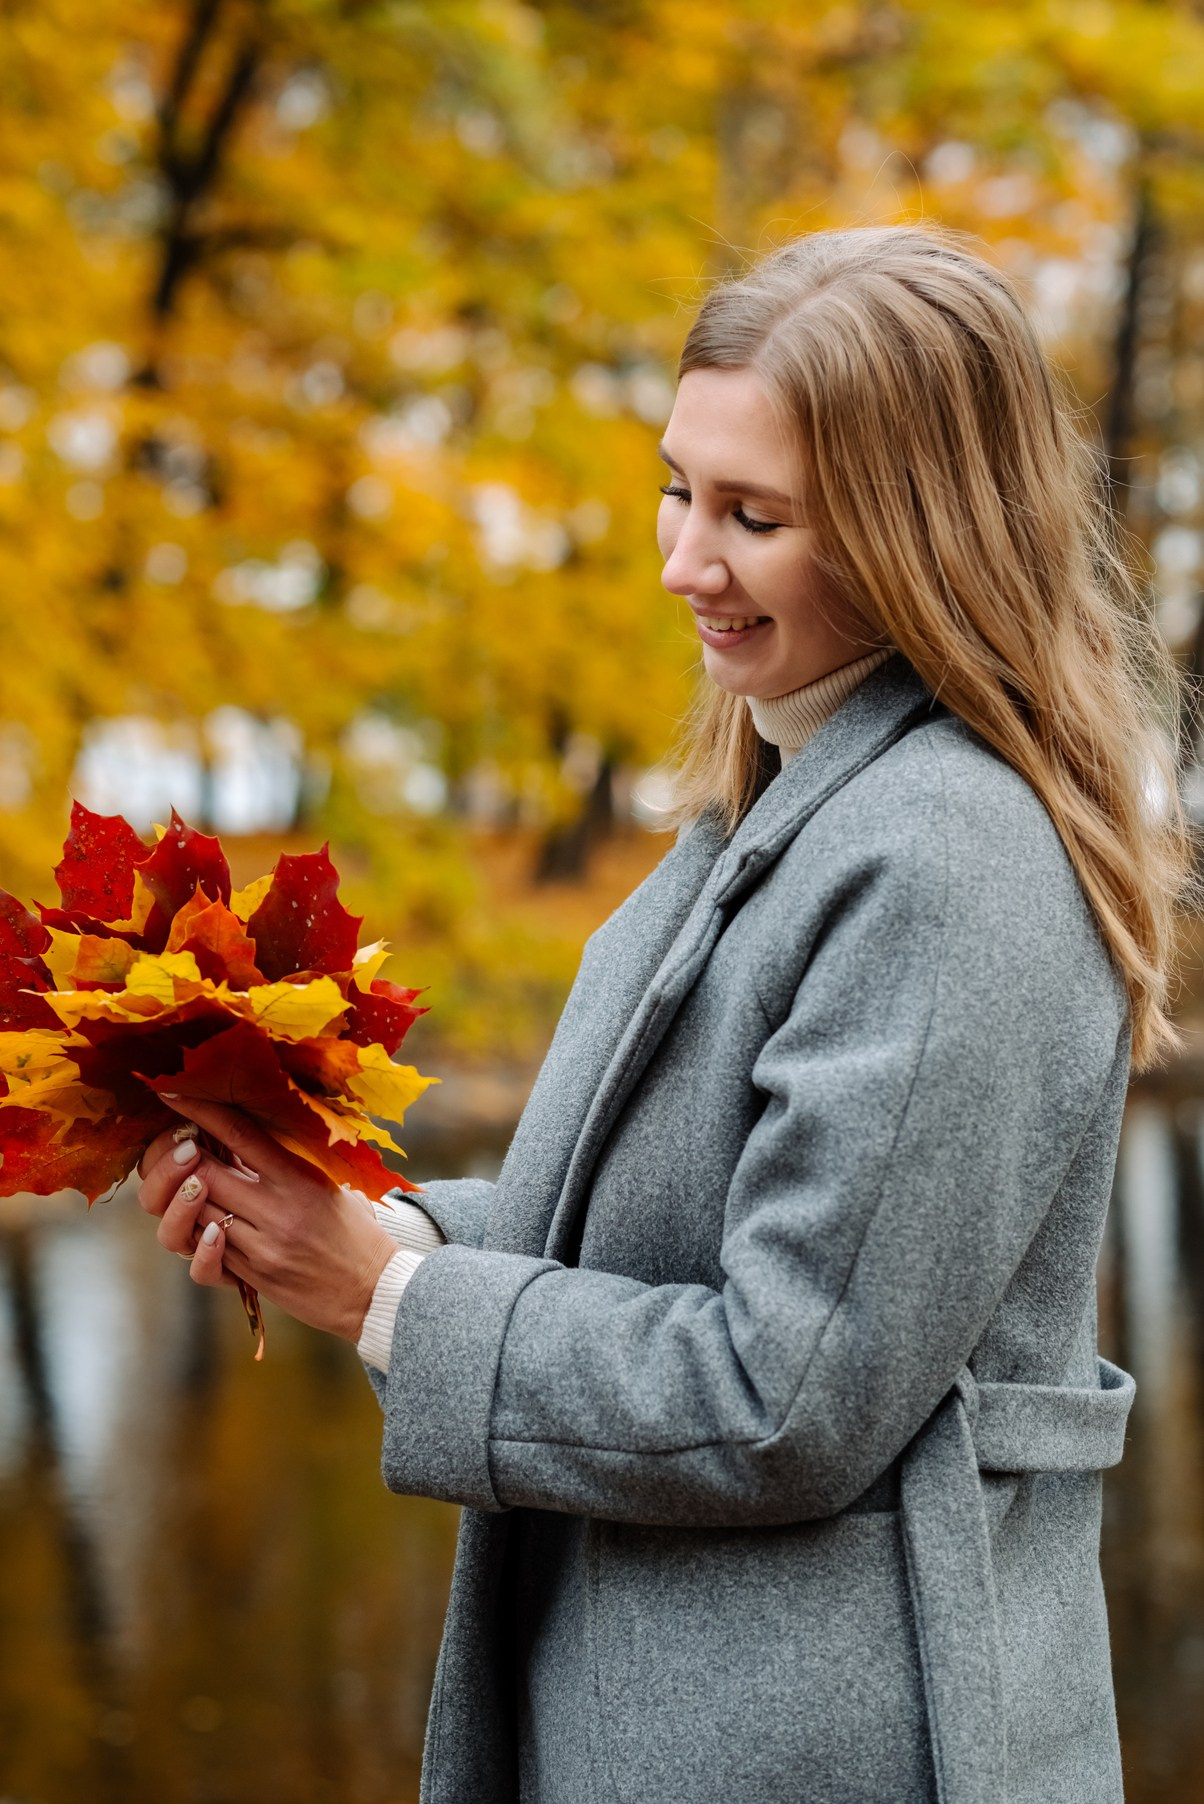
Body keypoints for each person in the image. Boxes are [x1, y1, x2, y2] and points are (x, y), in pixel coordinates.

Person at [137, 226, 1192, 1804]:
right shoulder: (785, 801)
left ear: (921, 536)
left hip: (834, 1754)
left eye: (754, 517)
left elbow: (785, 1395)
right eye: (678, 487)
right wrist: (354, 1219)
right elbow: (661, 1230)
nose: (681, 561)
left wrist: (387, 1303)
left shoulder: (946, 858)